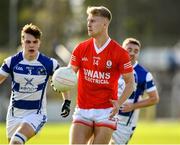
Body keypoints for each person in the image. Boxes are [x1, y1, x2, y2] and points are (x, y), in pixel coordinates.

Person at [69, 6, 135, 144]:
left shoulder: (120, 53)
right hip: (82, 110)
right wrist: (60, 83)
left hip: (106, 112)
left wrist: (119, 103)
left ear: (105, 24)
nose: (88, 24)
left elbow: (130, 83)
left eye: (93, 20)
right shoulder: (80, 48)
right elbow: (68, 76)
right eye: (88, 20)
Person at [0, 23, 71, 145]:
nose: (31, 45)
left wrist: (67, 101)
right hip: (14, 114)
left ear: (39, 43)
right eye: (28, 42)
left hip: (35, 114)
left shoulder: (49, 63)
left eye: (34, 42)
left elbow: (62, 80)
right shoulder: (11, 62)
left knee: (16, 141)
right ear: (22, 42)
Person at [111, 38, 160, 145]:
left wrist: (133, 106)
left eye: (136, 51)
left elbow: (154, 98)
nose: (132, 53)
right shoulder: (111, 67)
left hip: (125, 123)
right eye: (129, 49)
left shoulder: (144, 74)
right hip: (105, 115)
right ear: (122, 49)